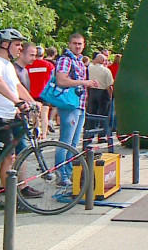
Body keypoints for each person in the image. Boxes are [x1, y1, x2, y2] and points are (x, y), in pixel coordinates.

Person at [0, 29, 36, 203]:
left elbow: (17, 86)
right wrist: (17, 102)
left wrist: (32, 102)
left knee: (3, 158)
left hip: (6, 117)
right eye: (17, 45)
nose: (20, 48)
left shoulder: (8, 64)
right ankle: (7, 200)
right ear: (5, 44)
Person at [54, 33, 100, 185]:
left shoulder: (80, 61)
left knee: (73, 143)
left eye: (80, 44)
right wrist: (84, 82)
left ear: (84, 45)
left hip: (79, 105)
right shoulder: (65, 60)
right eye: (75, 43)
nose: (77, 46)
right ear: (69, 44)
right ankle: (61, 175)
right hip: (69, 105)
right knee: (65, 142)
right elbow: (61, 80)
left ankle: (69, 172)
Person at [27, 45, 55, 139]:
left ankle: (36, 130)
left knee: (35, 114)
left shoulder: (29, 65)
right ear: (43, 54)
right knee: (44, 114)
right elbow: (53, 79)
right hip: (45, 93)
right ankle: (44, 134)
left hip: (33, 93)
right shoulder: (49, 65)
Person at [85, 54, 114, 129]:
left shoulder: (90, 68)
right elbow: (109, 85)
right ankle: (102, 135)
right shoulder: (106, 71)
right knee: (103, 115)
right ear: (104, 61)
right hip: (103, 92)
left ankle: (89, 134)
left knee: (91, 113)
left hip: (92, 91)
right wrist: (110, 96)